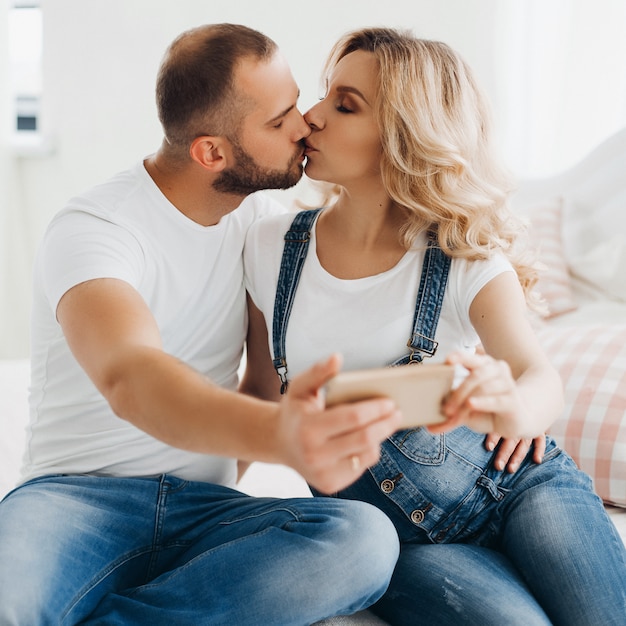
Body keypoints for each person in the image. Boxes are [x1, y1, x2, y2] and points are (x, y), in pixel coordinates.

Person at [0, 24, 408, 625]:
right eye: (279, 120)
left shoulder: (265, 232)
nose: (305, 124)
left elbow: (265, 382)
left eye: (296, 100)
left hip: (204, 512)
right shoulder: (96, 229)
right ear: (211, 152)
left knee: (364, 538)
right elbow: (131, 376)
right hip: (73, 501)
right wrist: (279, 438)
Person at [243, 27, 626, 626]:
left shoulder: (461, 257)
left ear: (402, 138)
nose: (311, 117)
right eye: (326, 95)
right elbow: (260, 394)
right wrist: (191, 505)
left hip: (523, 490)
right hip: (407, 547)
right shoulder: (269, 247)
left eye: (345, 105)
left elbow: (537, 376)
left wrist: (512, 410)